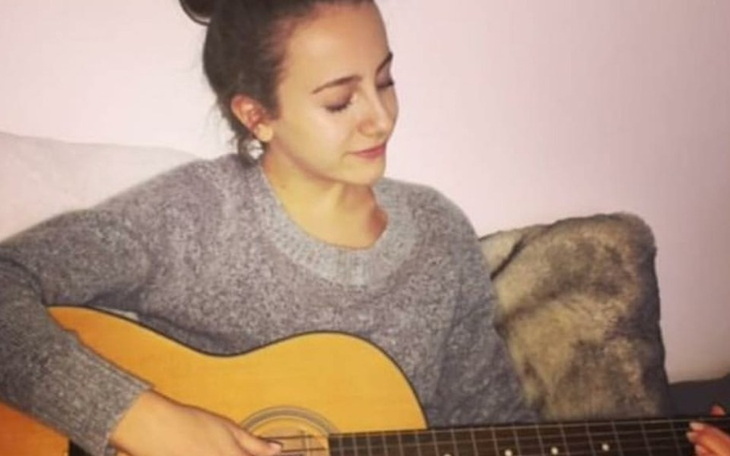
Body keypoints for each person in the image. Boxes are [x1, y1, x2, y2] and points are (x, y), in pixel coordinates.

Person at [0, 1, 535, 455]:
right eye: (339, 101)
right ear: (258, 116)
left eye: (385, 80)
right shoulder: (196, 216)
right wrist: (142, 420)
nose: (381, 119)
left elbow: (492, 420)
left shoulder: (440, 235)